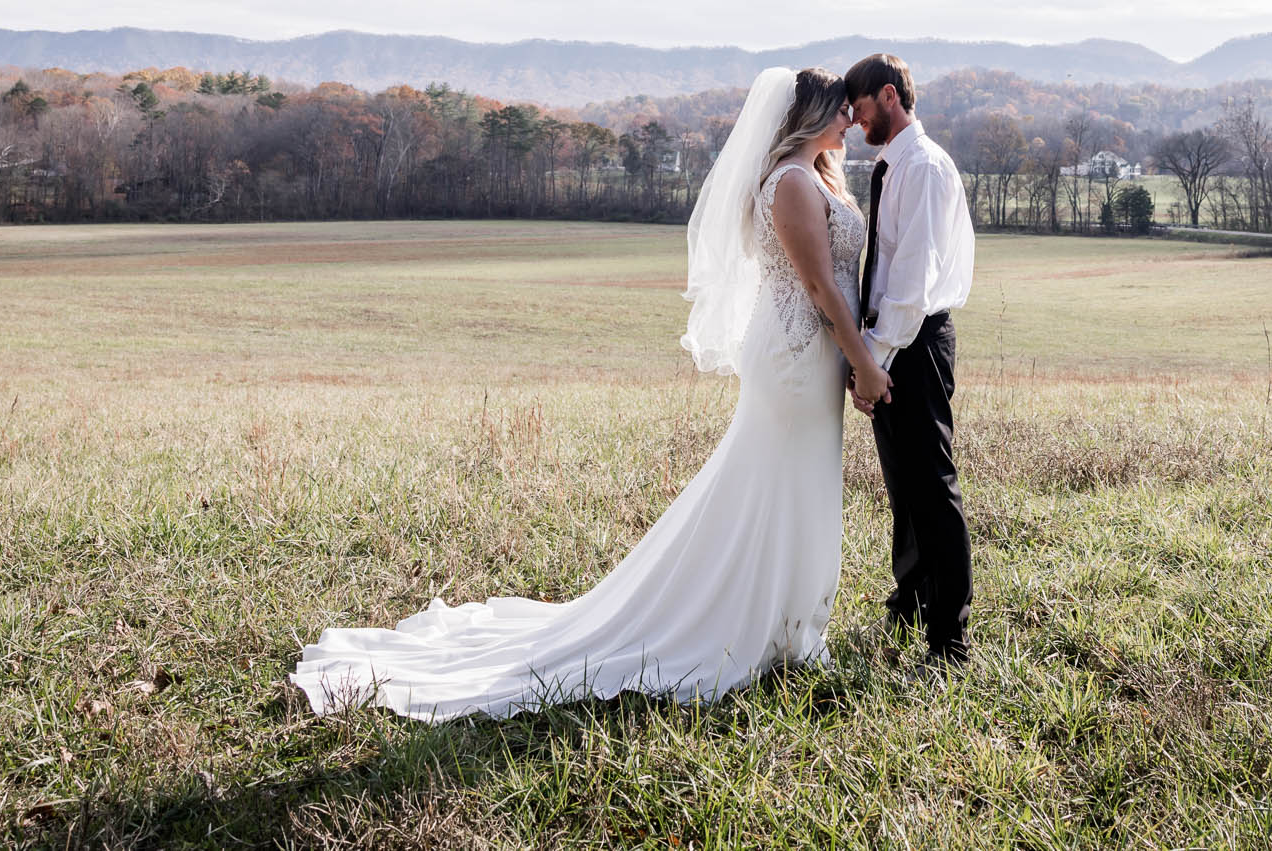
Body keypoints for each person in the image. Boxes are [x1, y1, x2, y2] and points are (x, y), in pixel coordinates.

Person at [290, 66, 889, 719]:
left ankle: (791, 625)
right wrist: (865, 363)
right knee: (776, 482)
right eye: (838, 111)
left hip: (814, 355)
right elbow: (820, 287)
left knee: (797, 482)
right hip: (798, 354)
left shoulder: (817, 175)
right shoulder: (793, 183)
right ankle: (756, 625)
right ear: (809, 114)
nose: (849, 121)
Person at [842, 52, 977, 663]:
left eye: (861, 106)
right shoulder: (894, 166)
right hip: (895, 340)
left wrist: (873, 359)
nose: (855, 119)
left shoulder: (920, 167)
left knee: (932, 485)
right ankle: (911, 599)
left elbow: (912, 284)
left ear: (890, 97)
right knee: (904, 486)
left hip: (914, 341)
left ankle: (949, 636)